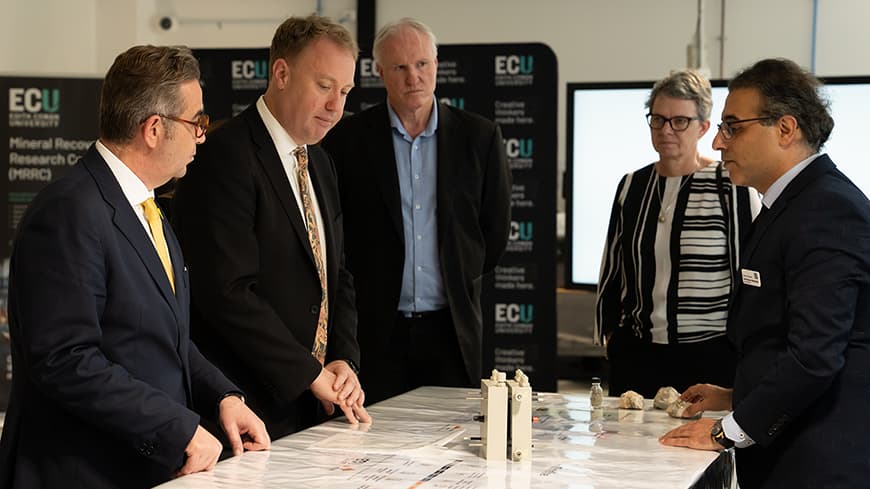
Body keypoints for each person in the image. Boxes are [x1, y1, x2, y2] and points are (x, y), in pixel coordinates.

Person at [0, 45, 270, 489]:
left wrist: (224, 394)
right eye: (196, 122)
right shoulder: (69, 211)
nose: (203, 135)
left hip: (138, 466)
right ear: (153, 128)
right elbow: (66, 360)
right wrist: (177, 427)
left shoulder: (148, 206)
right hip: (80, 472)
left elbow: (164, 337)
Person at [659, 58, 870, 488]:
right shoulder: (789, 204)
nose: (718, 142)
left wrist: (725, 431)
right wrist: (737, 397)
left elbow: (815, 356)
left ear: (786, 129)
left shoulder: (826, 210)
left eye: (733, 127)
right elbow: (782, 333)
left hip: (818, 461)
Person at [171, 14, 370, 440]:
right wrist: (307, 373)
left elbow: (336, 276)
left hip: (314, 406)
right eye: (324, 86)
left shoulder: (320, 161)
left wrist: (343, 362)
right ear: (281, 73)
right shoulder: (224, 155)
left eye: (346, 91)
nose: (337, 105)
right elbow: (226, 291)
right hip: (246, 411)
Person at [320, 18, 512, 404]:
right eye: (400, 67)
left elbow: (494, 232)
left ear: (437, 65)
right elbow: (336, 234)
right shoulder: (347, 139)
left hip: (450, 330)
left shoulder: (480, 137)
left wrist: (460, 272)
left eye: (422, 64)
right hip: (375, 332)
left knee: (455, 444)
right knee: (373, 448)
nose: (414, 78)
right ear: (379, 72)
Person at [594, 69, 760, 398]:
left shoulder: (730, 185)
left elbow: (749, 268)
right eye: (658, 119)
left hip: (710, 358)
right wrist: (610, 335)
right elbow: (612, 267)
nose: (667, 130)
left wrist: (745, 346)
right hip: (637, 354)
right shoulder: (632, 185)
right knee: (628, 448)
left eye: (679, 121)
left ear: (703, 127)